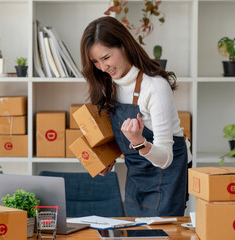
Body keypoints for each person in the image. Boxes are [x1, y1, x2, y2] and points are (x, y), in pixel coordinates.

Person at [80, 16, 190, 217]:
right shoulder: (110, 85)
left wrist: (139, 142)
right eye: (95, 62)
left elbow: (165, 158)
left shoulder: (155, 87)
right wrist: (107, 158)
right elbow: (121, 135)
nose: (103, 68)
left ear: (124, 45)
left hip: (167, 177)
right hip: (136, 179)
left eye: (106, 58)